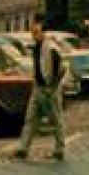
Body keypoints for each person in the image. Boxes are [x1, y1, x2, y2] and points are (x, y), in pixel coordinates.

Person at [12, 15, 68, 162]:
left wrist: (53, 86)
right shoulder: (36, 47)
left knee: (56, 119)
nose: (34, 35)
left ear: (43, 32)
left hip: (49, 89)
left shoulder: (50, 48)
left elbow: (62, 68)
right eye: (33, 32)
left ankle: (60, 149)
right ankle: (23, 148)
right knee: (30, 118)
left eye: (36, 32)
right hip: (38, 87)